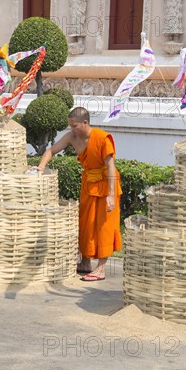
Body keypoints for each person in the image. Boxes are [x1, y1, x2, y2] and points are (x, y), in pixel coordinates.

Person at [35, 107, 122, 281]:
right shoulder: (71, 137)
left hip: (106, 184)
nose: (72, 129)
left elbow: (111, 166)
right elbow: (51, 151)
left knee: (103, 226)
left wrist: (111, 195)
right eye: (70, 126)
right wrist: (40, 168)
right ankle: (85, 262)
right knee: (85, 223)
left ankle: (101, 268)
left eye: (74, 126)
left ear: (85, 123)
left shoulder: (101, 138)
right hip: (89, 183)